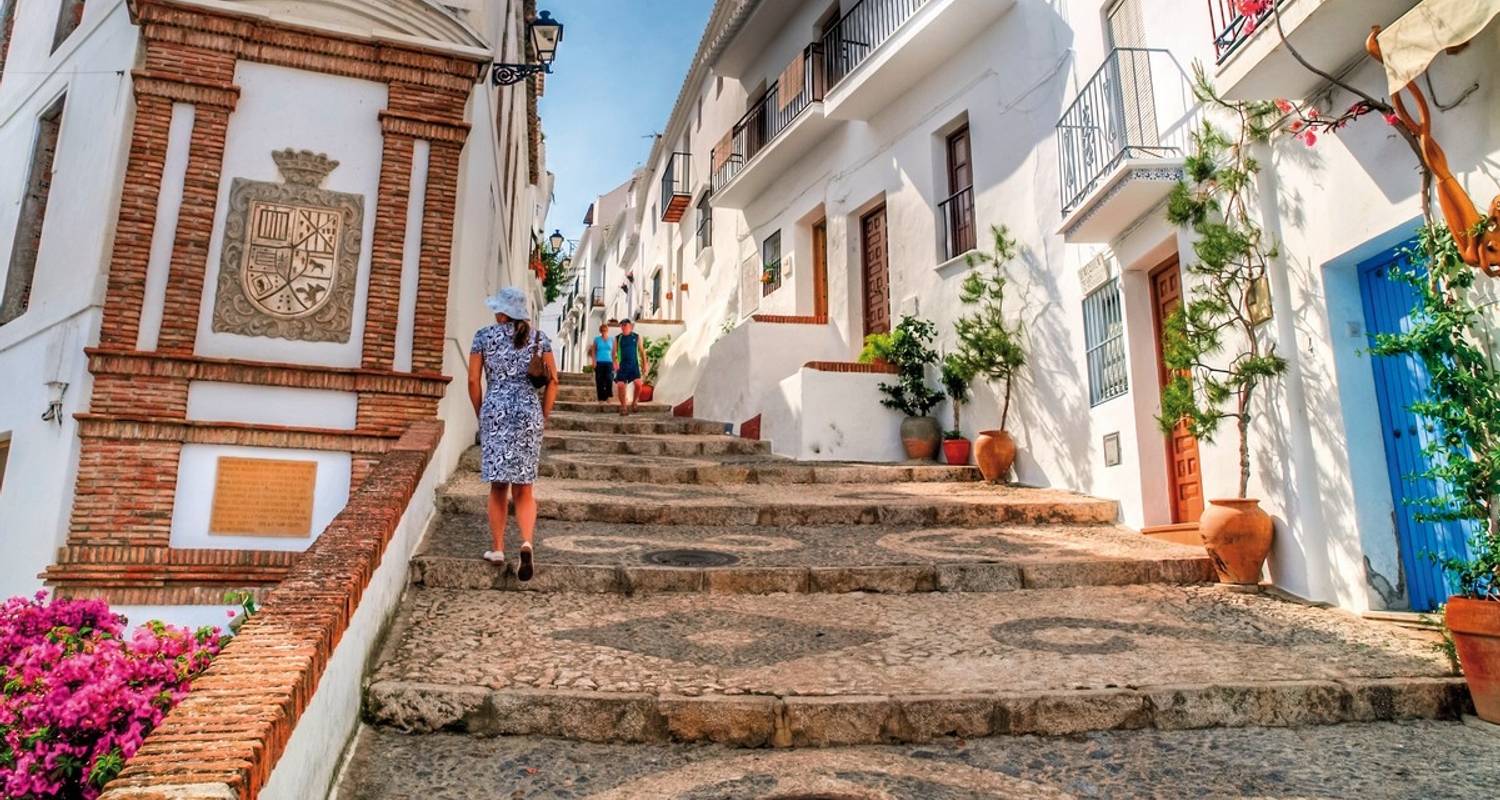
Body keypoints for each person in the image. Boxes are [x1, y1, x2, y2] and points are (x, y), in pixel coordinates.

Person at [468, 286, 557, 581]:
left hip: (496, 411)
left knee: (498, 485)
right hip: (528, 412)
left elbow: (472, 380)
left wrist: (482, 412)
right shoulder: (539, 338)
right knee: (525, 487)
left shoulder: (484, 336)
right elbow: (553, 381)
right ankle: (527, 542)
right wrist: (542, 415)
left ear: (502, 312)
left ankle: (497, 548)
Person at [612, 319, 649, 416]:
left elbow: (642, 351)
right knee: (620, 385)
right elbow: (613, 353)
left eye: (625, 325)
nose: (623, 327)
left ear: (630, 326)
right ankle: (623, 406)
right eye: (622, 325)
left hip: (634, 366)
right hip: (622, 366)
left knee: (638, 384)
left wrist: (645, 364)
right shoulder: (617, 338)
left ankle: (634, 402)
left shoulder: (636, 337)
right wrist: (615, 363)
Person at [588, 323, 614, 402]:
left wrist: (614, 362)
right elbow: (593, 351)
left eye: (605, 330)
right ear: (600, 331)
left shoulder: (611, 339)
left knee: (609, 379)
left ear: (607, 331)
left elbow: (614, 352)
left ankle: (608, 396)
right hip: (599, 362)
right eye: (602, 330)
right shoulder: (597, 339)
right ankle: (601, 398)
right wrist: (594, 361)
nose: (604, 332)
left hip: (609, 362)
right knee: (599, 380)